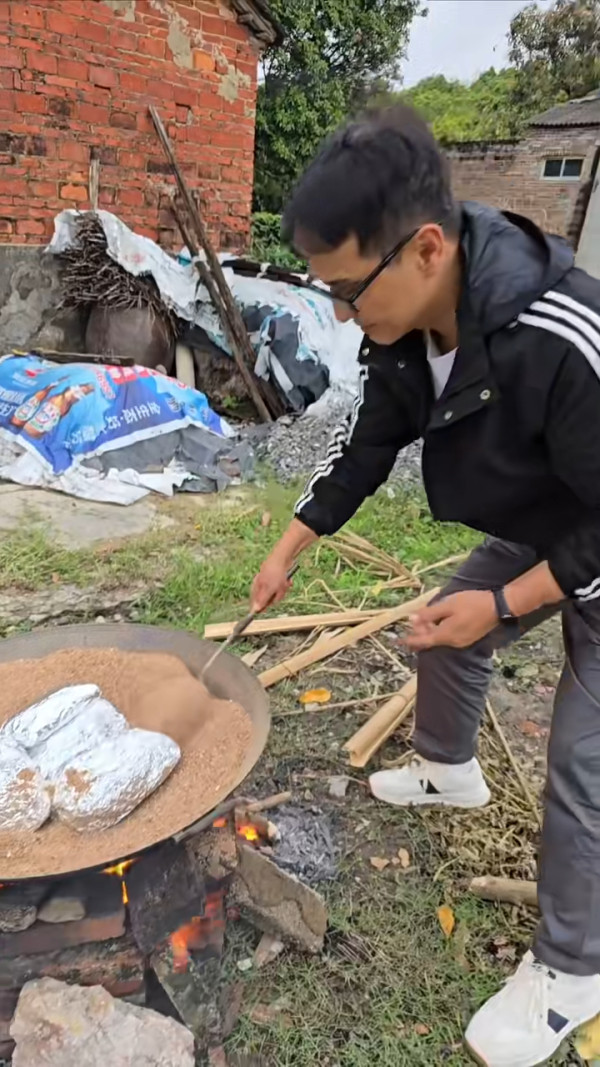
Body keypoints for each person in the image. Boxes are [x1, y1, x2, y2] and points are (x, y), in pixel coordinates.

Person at [250, 105, 600, 1067]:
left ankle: (571, 974)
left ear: (427, 247)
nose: (338, 314)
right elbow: (368, 442)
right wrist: (290, 547)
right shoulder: (403, 329)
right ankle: (450, 767)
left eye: (347, 291)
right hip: (551, 521)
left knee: (581, 764)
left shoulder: (563, 333)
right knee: (444, 627)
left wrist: (509, 599)